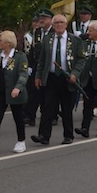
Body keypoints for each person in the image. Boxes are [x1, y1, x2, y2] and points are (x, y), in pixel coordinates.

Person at [32, 14, 86, 145]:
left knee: (66, 108)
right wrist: (38, 76)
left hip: (67, 78)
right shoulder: (47, 39)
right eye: (56, 23)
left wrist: (75, 74)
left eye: (62, 22)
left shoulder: (75, 40)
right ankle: (44, 135)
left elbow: (81, 60)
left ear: (66, 25)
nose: (59, 25)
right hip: (51, 78)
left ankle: (68, 135)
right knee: (47, 107)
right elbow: (42, 60)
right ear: (53, 25)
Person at [0, 30, 29, 154]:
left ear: (8, 43)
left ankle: (21, 141)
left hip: (14, 92)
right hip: (0, 92)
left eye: (0, 41)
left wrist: (18, 88)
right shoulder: (0, 56)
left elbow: (23, 74)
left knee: (18, 117)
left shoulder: (20, 57)